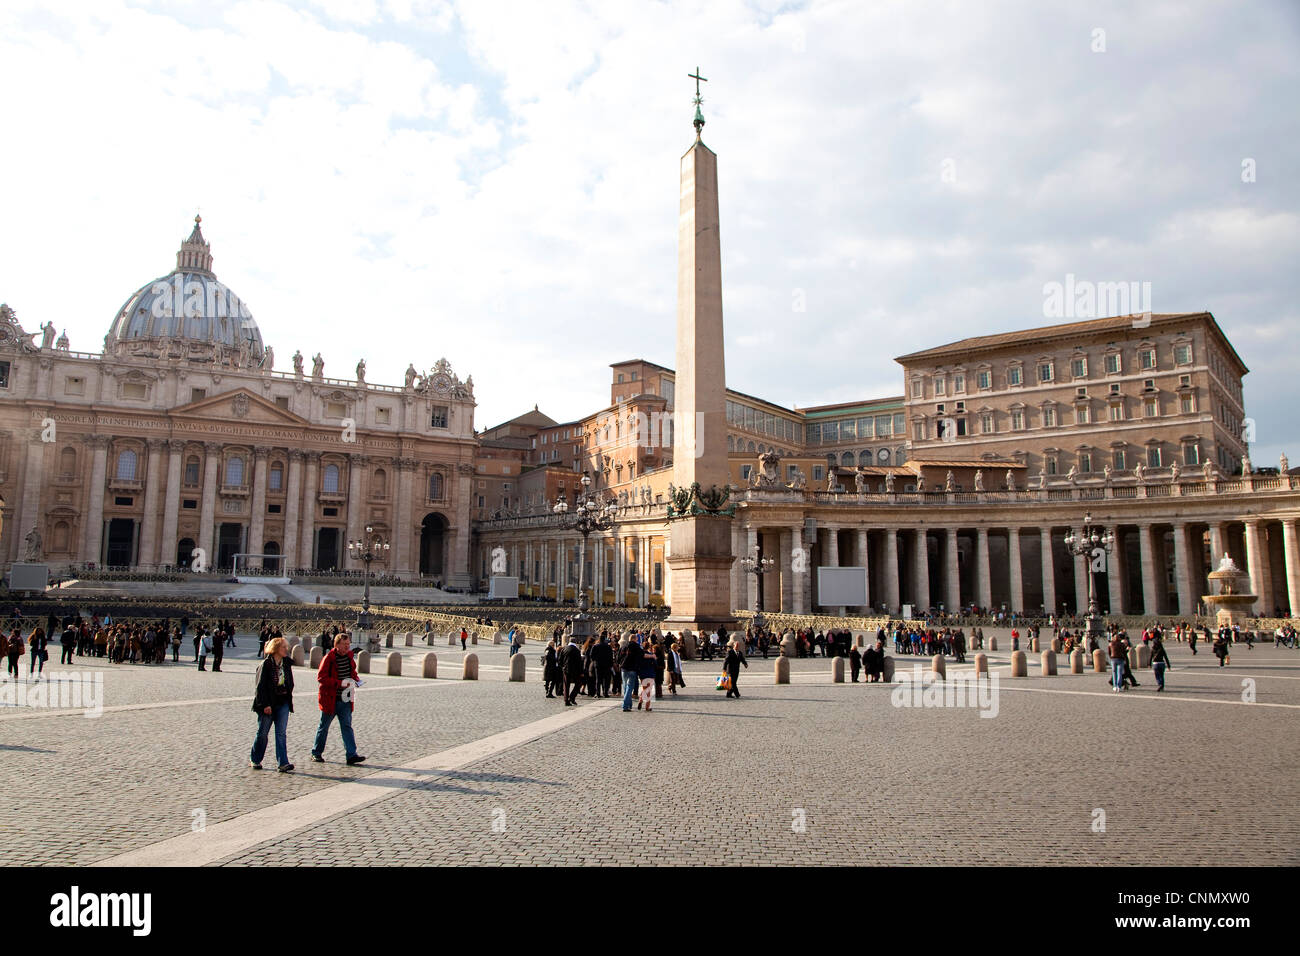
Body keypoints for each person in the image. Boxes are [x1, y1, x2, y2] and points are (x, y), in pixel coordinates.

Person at [311, 634, 365, 765]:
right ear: (337, 645)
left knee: (347, 727)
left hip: (346, 698)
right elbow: (321, 678)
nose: (348, 647)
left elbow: (352, 673)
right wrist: (340, 683)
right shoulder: (328, 658)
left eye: (348, 644)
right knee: (323, 727)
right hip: (331, 699)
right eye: (345, 644)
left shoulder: (350, 658)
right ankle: (316, 753)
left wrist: (357, 680)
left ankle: (351, 755)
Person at [250, 637, 295, 772]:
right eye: (283, 647)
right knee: (263, 733)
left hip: (283, 703)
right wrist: (265, 704)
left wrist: (286, 694)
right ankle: (255, 759)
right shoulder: (266, 665)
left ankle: (283, 763)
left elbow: (290, 682)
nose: (286, 649)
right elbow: (260, 687)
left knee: (281, 733)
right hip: (268, 704)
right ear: (275, 649)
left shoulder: (286, 664)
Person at [619, 634, 644, 712]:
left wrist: (620, 664)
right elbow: (641, 656)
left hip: (623, 669)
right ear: (635, 639)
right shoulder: (637, 647)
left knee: (625, 687)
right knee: (629, 688)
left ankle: (629, 705)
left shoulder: (624, 647)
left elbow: (618, 657)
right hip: (632, 669)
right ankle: (625, 706)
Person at [561, 635, 583, 706]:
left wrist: (563, 666)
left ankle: (566, 700)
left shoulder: (564, 649)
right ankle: (572, 697)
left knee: (566, 685)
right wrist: (581, 672)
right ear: (575, 642)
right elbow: (579, 662)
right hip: (575, 670)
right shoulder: (577, 650)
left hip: (566, 669)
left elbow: (559, 659)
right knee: (578, 684)